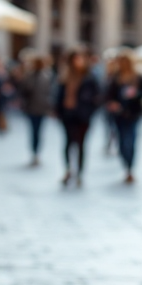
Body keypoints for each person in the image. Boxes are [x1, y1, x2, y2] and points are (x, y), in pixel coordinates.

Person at [55, 48, 100, 187]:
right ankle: (68, 169)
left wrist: (89, 111)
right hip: (68, 115)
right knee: (68, 143)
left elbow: (97, 97)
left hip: (83, 116)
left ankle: (79, 172)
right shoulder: (64, 77)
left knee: (81, 145)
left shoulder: (89, 77)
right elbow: (58, 96)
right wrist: (58, 111)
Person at [105, 53, 142, 184]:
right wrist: (112, 103)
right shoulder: (115, 78)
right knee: (122, 141)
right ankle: (126, 165)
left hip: (133, 114)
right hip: (119, 114)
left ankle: (130, 168)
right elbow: (108, 95)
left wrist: (135, 94)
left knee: (131, 140)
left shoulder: (138, 77)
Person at [16, 51, 54, 167]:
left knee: (39, 131)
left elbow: (50, 92)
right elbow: (24, 91)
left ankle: (37, 152)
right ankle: (34, 152)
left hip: (42, 108)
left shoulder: (47, 75)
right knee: (33, 131)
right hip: (31, 108)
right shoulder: (29, 76)